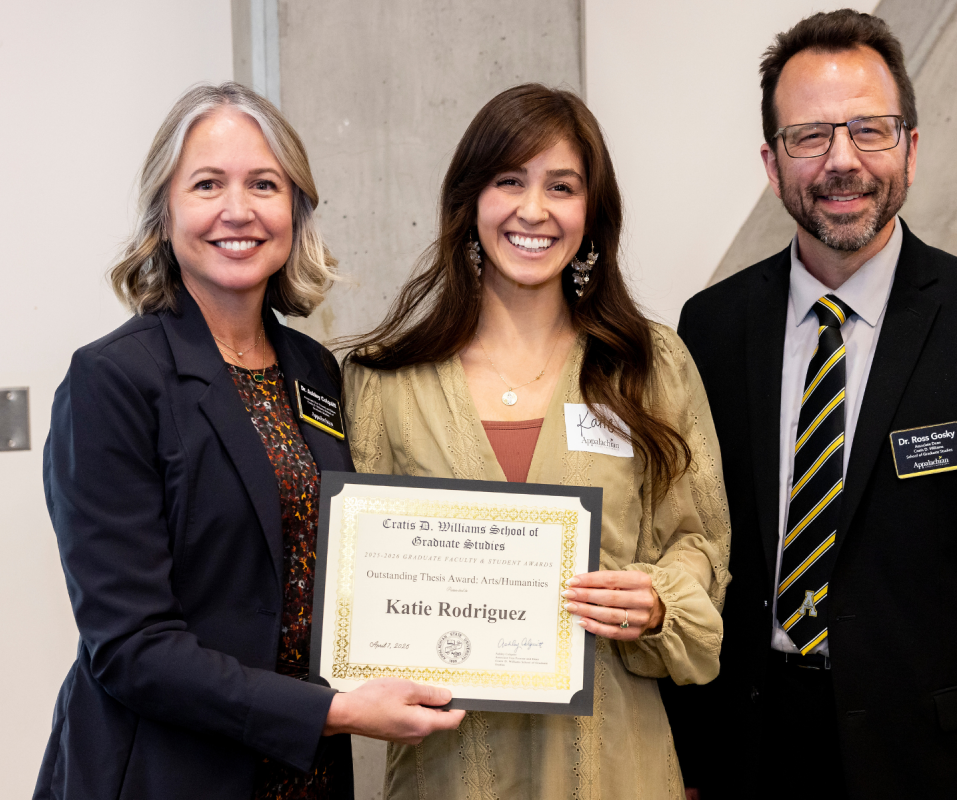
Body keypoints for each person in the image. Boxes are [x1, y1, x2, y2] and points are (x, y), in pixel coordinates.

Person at [665, 10, 957, 800]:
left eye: (871, 130)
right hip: (750, 756)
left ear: (912, 146)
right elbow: (697, 550)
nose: (842, 161)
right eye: (809, 136)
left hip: (933, 765)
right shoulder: (712, 327)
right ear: (771, 162)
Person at [36, 82, 464, 800]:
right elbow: (132, 648)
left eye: (264, 184)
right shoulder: (111, 380)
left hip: (303, 774)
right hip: (165, 773)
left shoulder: (313, 370)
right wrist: (335, 711)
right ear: (163, 211)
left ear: (294, 211)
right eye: (207, 184)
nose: (238, 210)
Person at [342, 83, 732, 798]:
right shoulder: (385, 382)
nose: (533, 209)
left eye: (562, 186)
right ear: (470, 203)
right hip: (447, 774)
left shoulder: (651, 365)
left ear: (592, 213)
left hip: (619, 768)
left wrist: (658, 601)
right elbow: (356, 589)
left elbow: (700, 543)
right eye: (509, 181)